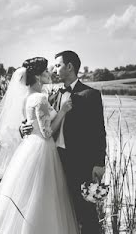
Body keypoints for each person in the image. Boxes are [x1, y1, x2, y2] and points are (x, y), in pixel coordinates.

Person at [0, 57, 79, 234]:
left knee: (26, 196)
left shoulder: (27, 97)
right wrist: (63, 111)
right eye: (46, 70)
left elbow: (29, 122)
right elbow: (47, 133)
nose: (50, 73)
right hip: (42, 148)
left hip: (28, 147)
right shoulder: (40, 98)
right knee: (43, 197)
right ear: (38, 75)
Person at [19, 51, 107, 234]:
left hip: (79, 162)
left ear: (70, 67)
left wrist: (99, 163)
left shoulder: (90, 95)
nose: (54, 69)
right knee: (58, 210)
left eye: (58, 65)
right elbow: (37, 120)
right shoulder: (51, 95)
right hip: (53, 159)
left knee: (86, 212)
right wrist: (24, 128)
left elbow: (99, 131)